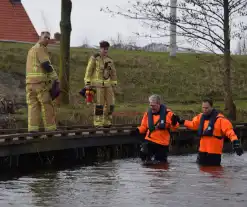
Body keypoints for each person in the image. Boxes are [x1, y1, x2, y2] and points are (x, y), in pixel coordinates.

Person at [172, 98, 243, 166]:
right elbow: (193, 124)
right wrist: (182, 121)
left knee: (214, 174)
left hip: (214, 153)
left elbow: (230, 132)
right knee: (202, 175)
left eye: (207, 108)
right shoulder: (200, 117)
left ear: (211, 107)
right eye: (203, 108)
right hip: (202, 152)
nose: (205, 110)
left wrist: (235, 143)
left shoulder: (220, 119)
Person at [26, 31, 60, 132]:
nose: (47, 40)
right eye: (45, 37)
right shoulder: (40, 48)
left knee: (33, 106)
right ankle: (50, 129)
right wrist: (55, 78)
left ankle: (33, 129)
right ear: (40, 37)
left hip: (29, 84)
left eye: (49, 38)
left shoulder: (31, 50)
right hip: (40, 84)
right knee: (47, 105)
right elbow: (46, 65)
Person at [130, 94, 180, 163]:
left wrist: (174, 122)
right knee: (144, 158)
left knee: (161, 164)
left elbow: (175, 128)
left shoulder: (168, 114)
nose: (151, 107)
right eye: (150, 105)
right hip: (150, 140)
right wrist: (137, 130)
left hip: (162, 143)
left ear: (159, 104)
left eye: (153, 105)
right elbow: (144, 126)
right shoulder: (147, 113)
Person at [83, 40, 118, 127]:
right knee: (99, 105)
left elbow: (113, 73)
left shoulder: (110, 60)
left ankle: (107, 122)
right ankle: (98, 123)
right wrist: (87, 82)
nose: (105, 51)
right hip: (97, 86)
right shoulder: (94, 58)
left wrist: (114, 84)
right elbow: (89, 71)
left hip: (108, 85)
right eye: (104, 49)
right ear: (100, 49)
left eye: (107, 49)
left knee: (111, 104)